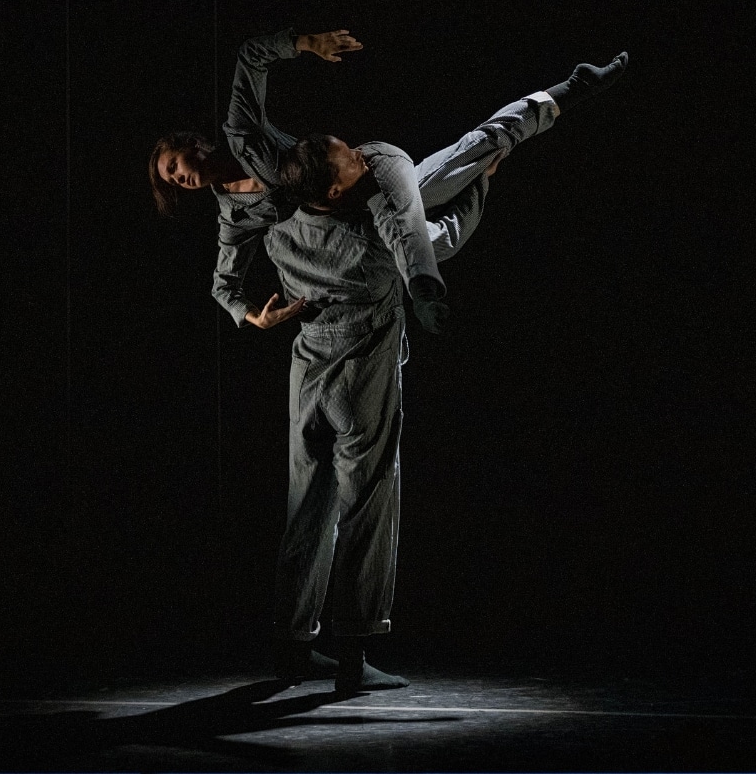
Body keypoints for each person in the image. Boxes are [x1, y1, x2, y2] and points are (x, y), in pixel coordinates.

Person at [225, 48, 628, 692]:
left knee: (309, 506)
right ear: (338, 187)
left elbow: (245, 131)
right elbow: (434, 238)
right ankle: (354, 653)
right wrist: (483, 188)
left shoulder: (281, 221)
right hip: (359, 376)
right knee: (368, 500)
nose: (368, 154)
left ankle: (291, 645)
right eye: (354, 157)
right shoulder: (380, 229)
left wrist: (242, 304)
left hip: (307, 372)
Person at [148, 28, 451, 333]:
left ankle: (424, 290)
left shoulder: (242, 132)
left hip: (363, 173)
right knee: (432, 233)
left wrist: (305, 43)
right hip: (350, 223)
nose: (179, 178)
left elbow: (250, 57)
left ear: (192, 145)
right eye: (173, 181)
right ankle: (477, 182)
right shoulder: (235, 217)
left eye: (173, 165)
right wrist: (254, 316)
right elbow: (223, 286)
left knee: (426, 196)